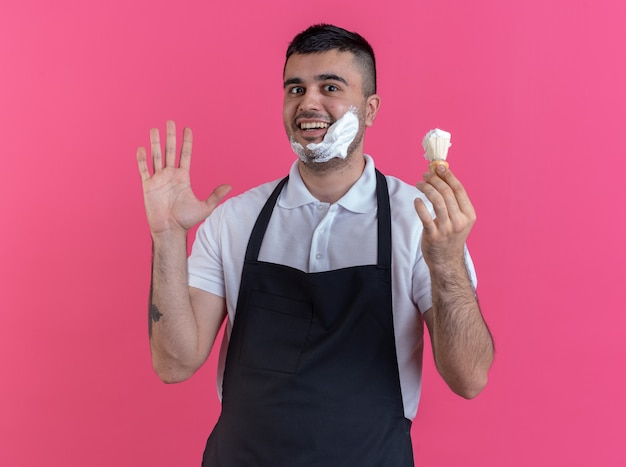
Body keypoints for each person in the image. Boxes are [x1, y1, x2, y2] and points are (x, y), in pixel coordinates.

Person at [136, 23, 493, 466]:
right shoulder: (235, 220)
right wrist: (167, 236)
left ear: (370, 108)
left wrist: (447, 263)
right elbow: (174, 364)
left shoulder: (419, 221)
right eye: (295, 88)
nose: (308, 102)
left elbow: (469, 378)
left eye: (330, 86)